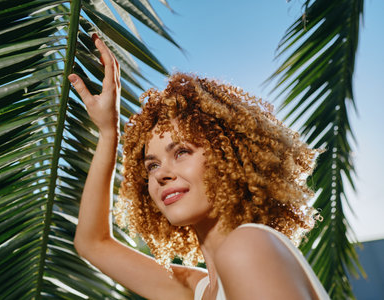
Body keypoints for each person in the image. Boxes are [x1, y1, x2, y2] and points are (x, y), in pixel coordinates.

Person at [70, 35, 330, 300]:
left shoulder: (248, 248)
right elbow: (92, 244)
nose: (160, 174)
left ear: (231, 158)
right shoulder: (201, 289)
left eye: (182, 152)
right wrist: (108, 131)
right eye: (152, 166)